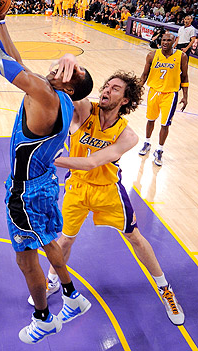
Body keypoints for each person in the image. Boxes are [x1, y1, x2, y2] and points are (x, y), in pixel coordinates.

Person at [31, 66, 185, 326]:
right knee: (65, 240)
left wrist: (54, 160)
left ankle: (165, 289)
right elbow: (65, 89)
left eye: (115, 89)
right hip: (77, 188)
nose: (106, 91)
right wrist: (65, 64)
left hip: (107, 191)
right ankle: (53, 279)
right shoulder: (83, 110)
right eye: (106, 86)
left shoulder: (127, 135)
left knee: (135, 238)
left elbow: (93, 162)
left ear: (125, 100)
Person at [0, 16, 93, 344]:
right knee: (47, 239)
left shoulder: (45, 94)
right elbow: (18, 62)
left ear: (67, 85)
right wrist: (0, 21)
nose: (58, 67)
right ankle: (73, 297)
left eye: (65, 70)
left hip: (26, 191)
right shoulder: (63, 100)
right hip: (46, 182)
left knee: (25, 257)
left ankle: (43, 319)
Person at [139, 33, 188, 166]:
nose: (165, 42)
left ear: (174, 41)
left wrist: (185, 96)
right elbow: (144, 75)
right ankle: (147, 142)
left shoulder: (181, 56)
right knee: (150, 119)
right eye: (164, 40)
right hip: (154, 92)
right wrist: (136, 90)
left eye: (168, 40)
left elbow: (185, 77)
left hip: (170, 94)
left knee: (165, 124)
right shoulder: (152, 55)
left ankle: (159, 150)